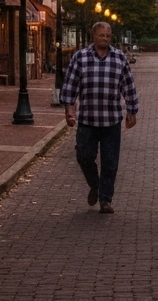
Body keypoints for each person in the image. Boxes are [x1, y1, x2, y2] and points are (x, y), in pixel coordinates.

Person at [60, 21, 139, 214]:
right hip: (87, 118)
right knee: (84, 156)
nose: (105, 39)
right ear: (93, 36)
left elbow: (128, 85)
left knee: (110, 161)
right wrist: (69, 110)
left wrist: (132, 110)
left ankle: (105, 199)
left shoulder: (119, 57)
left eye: (108, 36)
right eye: (101, 35)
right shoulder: (81, 57)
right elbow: (70, 85)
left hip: (111, 119)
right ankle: (95, 184)